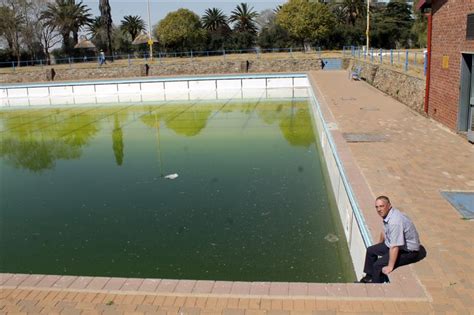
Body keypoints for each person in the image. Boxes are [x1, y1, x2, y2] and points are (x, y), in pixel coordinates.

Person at [358, 196, 426, 283]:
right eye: (377, 207)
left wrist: (390, 266)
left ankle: (376, 287)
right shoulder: (390, 214)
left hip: (409, 252)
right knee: (371, 250)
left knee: (377, 265)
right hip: (397, 245)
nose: (379, 209)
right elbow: (384, 232)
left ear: (389, 205)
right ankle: (369, 277)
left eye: (381, 206)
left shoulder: (395, 222)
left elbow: (395, 247)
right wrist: (379, 246)